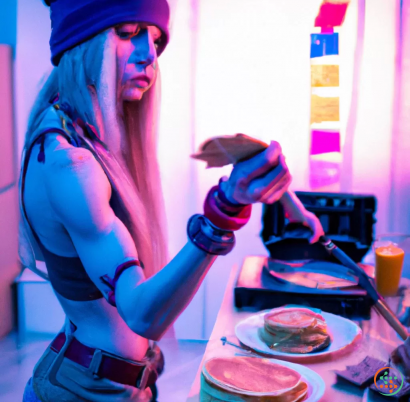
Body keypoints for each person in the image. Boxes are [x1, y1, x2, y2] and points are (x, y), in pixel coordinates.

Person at [20, 0, 323, 400]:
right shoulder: (69, 165)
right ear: (82, 40)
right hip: (85, 389)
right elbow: (143, 313)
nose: (150, 55)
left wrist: (293, 208)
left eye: (156, 39)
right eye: (129, 33)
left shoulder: (85, 134)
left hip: (114, 380)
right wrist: (223, 212)